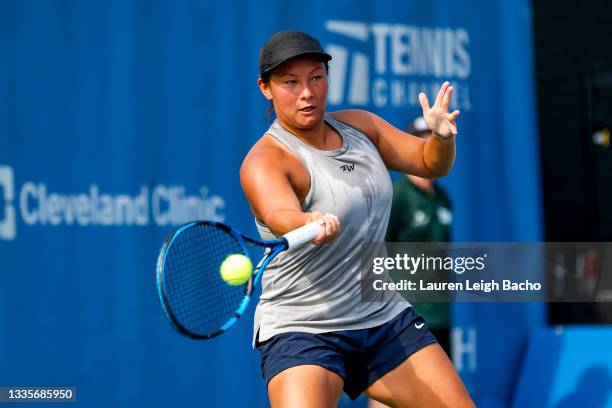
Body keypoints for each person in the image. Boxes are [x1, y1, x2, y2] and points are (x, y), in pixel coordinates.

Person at [240, 30, 474, 408]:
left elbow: (430, 164)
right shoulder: (265, 161)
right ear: (265, 88)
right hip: (305, 328)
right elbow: (279, 214)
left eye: (317, 77)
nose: (307, 92)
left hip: (382, 316)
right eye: (290, 82)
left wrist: (441, 138)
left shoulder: (361, 127)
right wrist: (307, 221)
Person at [385, 116, 454, 356]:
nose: (431, 151)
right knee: (394, 386)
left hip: (440, 311)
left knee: (442, 387)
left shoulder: (444, 199)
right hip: (404, 310)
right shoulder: (397, 196)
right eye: (423, 144)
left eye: (436, 144)